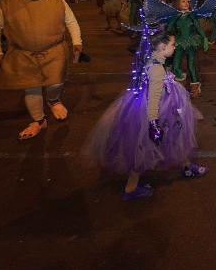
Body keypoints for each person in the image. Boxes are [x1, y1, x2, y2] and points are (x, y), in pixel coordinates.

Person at [82, 31, 207, 201]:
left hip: (162, 108)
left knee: (173, 138)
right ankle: (131, 188)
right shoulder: (156, 70)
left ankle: (186, 166)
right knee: (145, 149)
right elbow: (153, 100)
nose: (175, 47)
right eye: (172, 45)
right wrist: (153, 123)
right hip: (158, 112)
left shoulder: (152, 61)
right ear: (162, 47)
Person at [0, 0, 83, 140]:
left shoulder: (57, 0)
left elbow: (71, 21)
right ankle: (38, 120)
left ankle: (53, 100)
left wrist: (77, 41)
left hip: (54, 51)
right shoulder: (7, 2)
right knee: (32, 88)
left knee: (55, 82)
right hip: (23, 54)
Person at [167, 0, 210, 97]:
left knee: (191, 65)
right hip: (179, 42)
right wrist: (167, 37)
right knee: (176, 65)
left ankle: (195, 87)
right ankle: (179, 87)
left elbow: (198, 28)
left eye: (187, 1)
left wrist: (204, 38)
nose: (186, 3)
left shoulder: (192, 15)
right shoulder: (175, 17)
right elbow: (168, 29)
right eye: (183, 1)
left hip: (191, 42)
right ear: (178, 3)